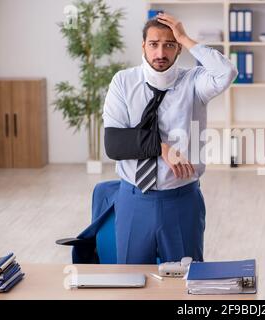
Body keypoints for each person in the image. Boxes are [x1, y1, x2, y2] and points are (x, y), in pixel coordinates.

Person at [102, 13, 238, 264]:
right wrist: (161, 147)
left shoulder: (195, 81)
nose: (160, 53)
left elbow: (227, 72)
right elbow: (114, 143)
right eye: (154, 44)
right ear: (143, 46)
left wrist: (185, 38)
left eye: (169, 44)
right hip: (134, 201)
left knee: (186, 283)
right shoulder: (123, 81)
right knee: (132, 283)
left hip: (181, 201)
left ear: (178, 49)